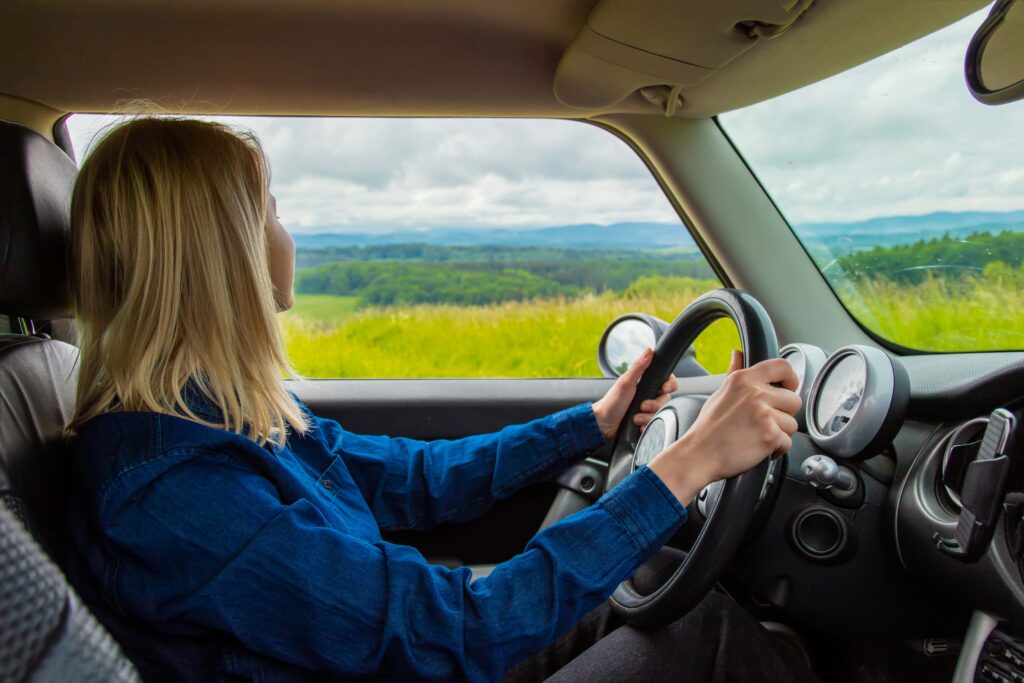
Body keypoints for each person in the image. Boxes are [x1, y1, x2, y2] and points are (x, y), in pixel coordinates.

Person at [65, 117, 815, 682]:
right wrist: (687, 465)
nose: (286, 235)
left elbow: (414, 479)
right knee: (701, 636)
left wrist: (592, 423)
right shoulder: (174, 492)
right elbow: (466, 632)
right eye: (270, 212)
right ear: (219, 255)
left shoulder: (211, 415)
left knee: (650, 583)